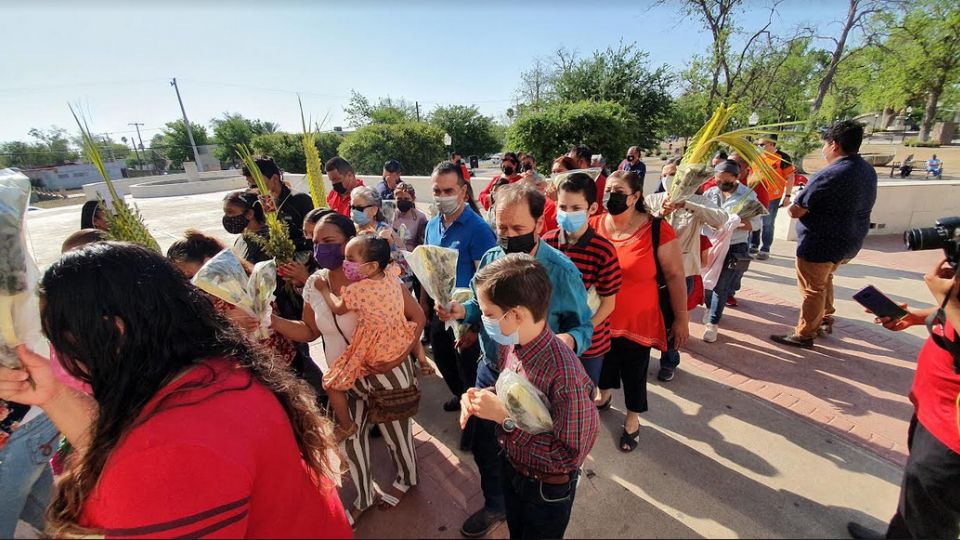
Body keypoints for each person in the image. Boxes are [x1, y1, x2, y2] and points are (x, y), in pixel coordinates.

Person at [0, 242, 350, 538]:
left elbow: (149, 462)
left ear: (113, 332)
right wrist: (54, 395)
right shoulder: (212, 372)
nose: (57, 354)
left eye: (57, 338)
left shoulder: (176, 448)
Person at [439, 182, 592, 538]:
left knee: (527, 446)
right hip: (494, 368)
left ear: (540, 223)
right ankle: (498, 503)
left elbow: (584, 325)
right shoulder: (494, 258)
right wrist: (464, 310)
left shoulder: (561, 270)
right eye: (502, 228)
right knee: (485, 446)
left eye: (518, 229)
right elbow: (484, 306)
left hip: (536, 383)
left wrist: (565, 342)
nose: (508, 237)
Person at [271, 212, 425, 524]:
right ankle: (365, 494)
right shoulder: (315, 284)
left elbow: (418, 317)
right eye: (315, 242)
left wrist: (402, 357)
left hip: (387, 371)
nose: (320, 249)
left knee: (397, 433)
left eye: (328, 241)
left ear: (348, 240)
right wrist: (270, 321)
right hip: (345, 375)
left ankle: (407, 479)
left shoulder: (378, 279)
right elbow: (309, 331)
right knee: (351, 439)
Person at [459, 254, 599, 540]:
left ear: (517, 315)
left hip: (547, 490)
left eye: (488, 313)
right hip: (513, 468)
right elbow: (511, 393)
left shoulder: (565, 374)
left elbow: (568, 456)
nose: (484, 319)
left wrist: (505, 419)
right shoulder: (511, 344)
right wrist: (480, 397)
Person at [847, 259, 960, 540]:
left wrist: (949, 299)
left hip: (951, 438)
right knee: (916, 499)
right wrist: (916, 317)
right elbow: (947, 316)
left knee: (930, 523)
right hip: (931, 413)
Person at [590, 170, 689, 452]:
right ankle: (604, 394)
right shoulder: (593, 224)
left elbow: (674, 276)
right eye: (608, 190)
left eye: (619, 192)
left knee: (634, 371)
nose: (611, 197)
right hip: (601, 317)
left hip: (638, 320)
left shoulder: (656, 228)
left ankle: (632, 419)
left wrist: (681, 319)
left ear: (635, 197)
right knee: (603, 361)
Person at [771, 120, 878, 348]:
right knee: (824, 279)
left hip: (819, 244)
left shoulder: (829, 174)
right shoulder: (867, 170)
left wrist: (794, 202)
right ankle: (825, 317)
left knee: (813, 288)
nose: (823, 149)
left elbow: (796, 211)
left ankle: (805, 333)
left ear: (835, 145)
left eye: (825, 144)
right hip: (849, 242)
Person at [314, 235, 417, 440]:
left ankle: (346, 425)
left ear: (371, 267)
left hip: (374, 349)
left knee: (330, 384)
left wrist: (324, 289)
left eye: (350, 259)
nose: (345, 264)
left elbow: (337, 307)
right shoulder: (390, 275)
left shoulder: (357, 290)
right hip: (398, 342)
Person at [166, 229, 303, 369]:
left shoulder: (242, 284)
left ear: (209, 262)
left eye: (189, 276)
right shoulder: (202, 296)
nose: (189, 283)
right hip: (258, 365)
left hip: (276, 364)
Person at [424, 162, 496, 413]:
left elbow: (488, 281)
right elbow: (429, 268)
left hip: (467, 319)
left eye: (448, 191)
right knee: (445, 362)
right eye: (437, 191)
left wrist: (475, 326)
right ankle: (459, 394)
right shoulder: (432, 226)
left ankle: (473, 419)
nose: (442, 197)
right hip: (440, 312)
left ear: (464, 192)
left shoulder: (479, 230)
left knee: (470, 370)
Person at [646, 168, 728, 379]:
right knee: (646, 317)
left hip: (683, 273)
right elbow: (637, 222)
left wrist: (687, 204)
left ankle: (669, 361)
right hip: (651, 270)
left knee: (676, 319)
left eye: (676, 173)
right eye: (667, 174)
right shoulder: (654, 199)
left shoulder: (698, 202)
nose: (671, 178)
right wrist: (659, 214)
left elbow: (720, 220)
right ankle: (641, 357)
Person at [542, 172, 622, 387]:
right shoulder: (546, 242)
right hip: (550, 338)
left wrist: (580, 332)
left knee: (581, 395)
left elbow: (608, 304)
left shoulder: (603, 250)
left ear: (592, 209)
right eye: (562, 207)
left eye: (576, 209)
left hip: (589, 344)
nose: (567, 214)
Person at [700, 160, 762, 343]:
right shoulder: (710, 193)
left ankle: (713, 323)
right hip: (710, 244)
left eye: (726, 182)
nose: (721, 185)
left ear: (737, 178)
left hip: (735, 245)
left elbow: (756, 224)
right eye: (718, 181)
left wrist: (734, 225)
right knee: (706, 281)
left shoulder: (749, 197)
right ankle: (709, 307)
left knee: (722, 285)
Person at [242, 155, 314, 253]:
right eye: (250, 185)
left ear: (275, 179)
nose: (254, 189)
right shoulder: (257, 204)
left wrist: (286, 245)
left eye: (257, 184)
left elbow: (314, 238)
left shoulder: (300, 200)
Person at [749, 135, 796, 260]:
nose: (759, 147)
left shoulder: (782, 158)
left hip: (772, 196)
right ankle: (753, 244)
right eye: (758, 144)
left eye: (762, 144)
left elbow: (790, 177)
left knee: (767, 223)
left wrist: (787, 195)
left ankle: (765, 248)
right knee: (754, 221)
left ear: (771, 144)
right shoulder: (757, 157)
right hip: (755, 195)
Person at [569, 144, 607, 212]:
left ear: (580, 162)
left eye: (570, 162)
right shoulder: (576, 179)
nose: (568, 166)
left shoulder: (598, 181)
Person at [393, 182, 428, 252]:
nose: (403, 201)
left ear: (413, 199)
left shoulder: (420, 217)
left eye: (406, 199)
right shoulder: (390, 215)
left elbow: (421, 244)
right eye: (399, 199)